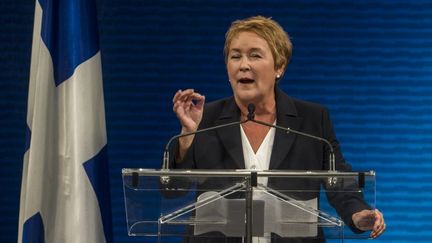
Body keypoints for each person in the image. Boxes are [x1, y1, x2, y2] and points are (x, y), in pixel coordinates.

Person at [169, 15, 385, 242]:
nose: (244, 65)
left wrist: (359, 214)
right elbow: (172, 190)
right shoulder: (205, 117)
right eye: (235, 56)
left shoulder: (312, 119)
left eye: (255, 55)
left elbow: (338, 182)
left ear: (279, 66)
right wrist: (188, 135)